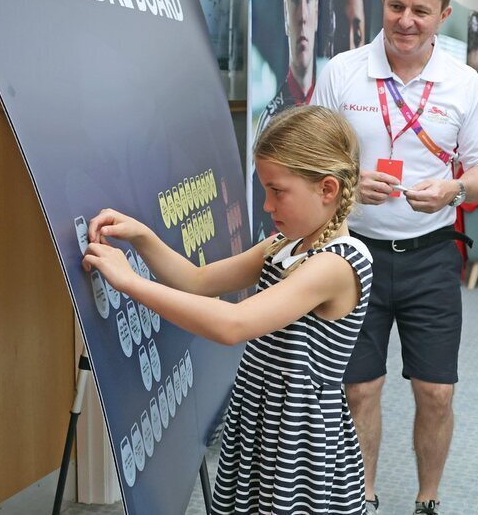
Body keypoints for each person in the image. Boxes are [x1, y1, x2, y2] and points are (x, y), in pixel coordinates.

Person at [83, 106, 372, 514]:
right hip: (260, 415)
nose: (268, 206)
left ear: (327, 189)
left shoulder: (337, 263)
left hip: (298, 436)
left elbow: (234, 324)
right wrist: (141, 236)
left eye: (278, 191)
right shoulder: (283, 245)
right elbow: (197, 281)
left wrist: (131, 282)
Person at [312, 0, 478, 515]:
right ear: (383, 4)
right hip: (352, 257)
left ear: (443, 14)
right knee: (359, 389)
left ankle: (426, 500)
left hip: (432, 256)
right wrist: (345, 182)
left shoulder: (463, 83)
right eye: (396, 6)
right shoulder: (342, 72)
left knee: (436, 392)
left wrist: (455, 190)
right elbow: (308, 157)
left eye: (421, 10)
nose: (405, 20)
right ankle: (362, 499)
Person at [251, 0, 320, 242]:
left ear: (319, 9)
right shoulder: (273, 119)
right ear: (285, 10)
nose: (302, 13)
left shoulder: (332, 97)